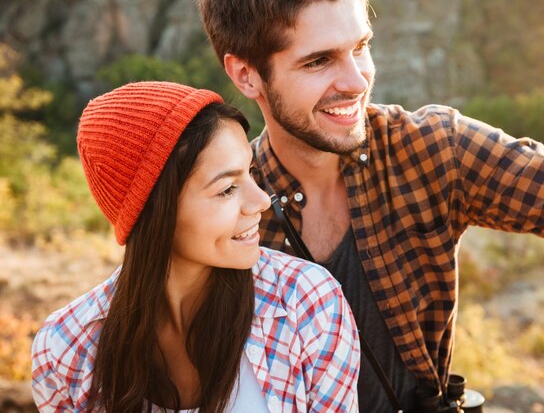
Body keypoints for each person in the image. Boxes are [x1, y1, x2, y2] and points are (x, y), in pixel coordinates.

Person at [197, 0, 544, 411]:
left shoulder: (434, 148)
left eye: (361, 47)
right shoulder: (221, 208)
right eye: (318, 61)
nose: (357, 81)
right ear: (246, 74)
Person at [30, 81, 360, 413]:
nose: (261, 201)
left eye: (251, 173)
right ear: (156, 212)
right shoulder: (65, 348)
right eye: (228, 188)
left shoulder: (308, 305)